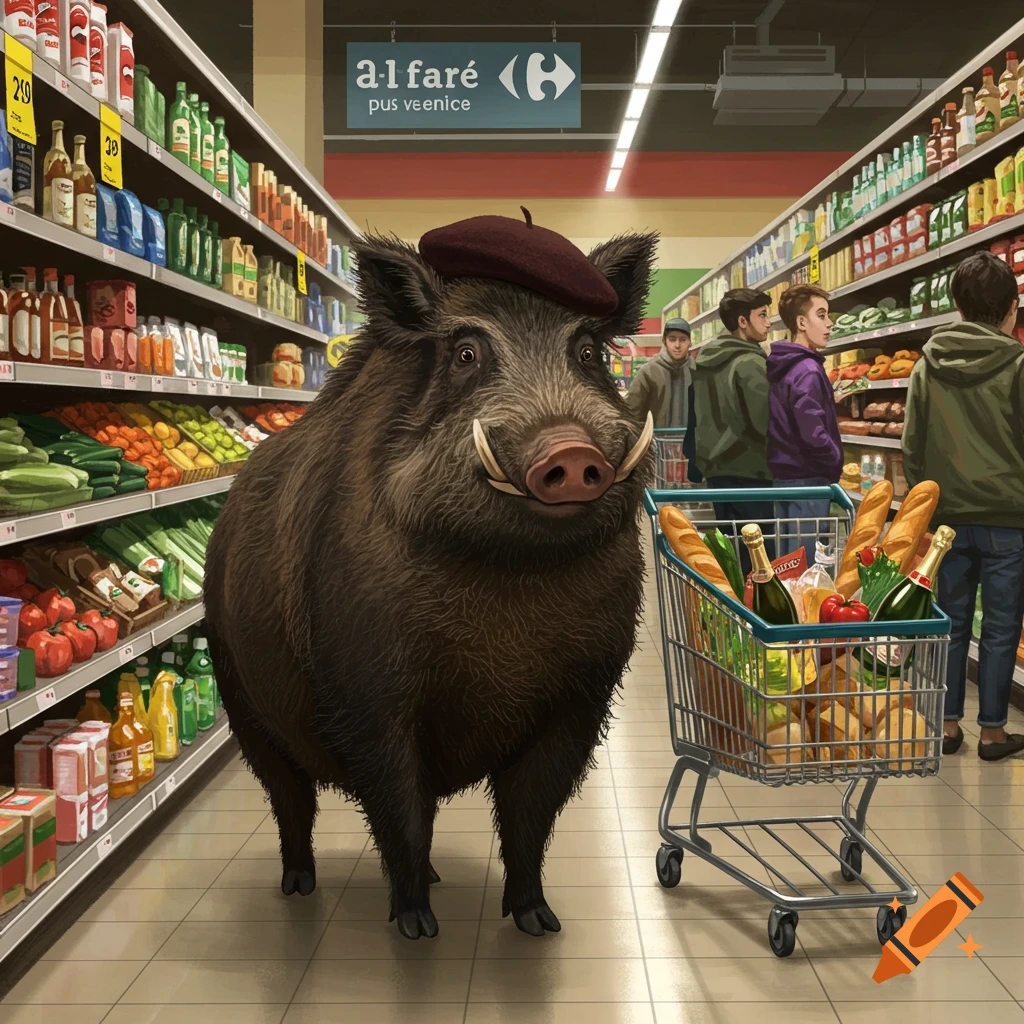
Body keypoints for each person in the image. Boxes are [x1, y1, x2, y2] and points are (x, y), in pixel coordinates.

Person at [903, 251, 1024, 761]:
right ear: (1011, 309)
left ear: (956, 306)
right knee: (1000, 626)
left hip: (947, 517)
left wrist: (929, 503)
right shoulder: (1018, 364)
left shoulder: (927, 366)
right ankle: (993, 733)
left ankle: (946, 726)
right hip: (1008, 518)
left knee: (949, 624)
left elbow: (912, 445)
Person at [692, 287, 773, 572]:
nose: (769, 321)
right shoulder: (750, 362)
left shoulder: (704, 361)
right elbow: (764, 422)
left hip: (717, 472)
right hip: (751, 473)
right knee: (761, 561)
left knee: (731, 558)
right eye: (762, 315)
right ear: (742, 321)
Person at [768, 284, 843, 567]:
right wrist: (834, 458)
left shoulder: (783, 365)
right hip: (808, 479)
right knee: (809, 567)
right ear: (801, 322)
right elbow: (812, 432)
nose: (829, 323)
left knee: (788, 564)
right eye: (821, 315)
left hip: (784, 478)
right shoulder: (807, 370)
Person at [625, 318, 702, 484]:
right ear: (664, 342)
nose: (677, 345)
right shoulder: (648, 372)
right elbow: (631, 413)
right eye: (672, 339)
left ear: (690, 342)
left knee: (691, 500)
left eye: (682, 340)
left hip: (691, 452)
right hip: (657, 452)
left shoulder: (699, 373)